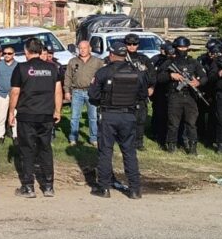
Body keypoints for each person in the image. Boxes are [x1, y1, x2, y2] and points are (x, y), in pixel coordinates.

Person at [87, 41, 149, 199]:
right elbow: (143, 95)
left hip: (109, 115)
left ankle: (104, 188)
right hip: (129, 115)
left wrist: (104, 99)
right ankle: (134, 190)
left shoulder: (103, 72)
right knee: (129, 152)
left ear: (111, 54)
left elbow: (93, 95)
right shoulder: (137, 72)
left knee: (105, 151)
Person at [8, 37, 63, 197]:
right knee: (45, 149)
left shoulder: (21, 68)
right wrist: (58, 110)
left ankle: (28, 187)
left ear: (26, 51)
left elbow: (15, 92)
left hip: (27, 115)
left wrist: (11, 112)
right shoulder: (52, 68)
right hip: (46, 114)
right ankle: (48, 186)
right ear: (40, 51)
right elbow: (58, 91)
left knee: (27, 150)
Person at [158, 37, 206, 154]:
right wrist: (171, 76)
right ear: (175, 48)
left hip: (190, 96)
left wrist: (198, 82)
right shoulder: (169, 62)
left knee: (191, 123)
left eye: (185, 47)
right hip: (175, 95)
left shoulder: (193, 62)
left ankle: (193, 147)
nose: (183, 50)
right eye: (180, 47)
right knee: (173, 123)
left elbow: (204, 76)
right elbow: (158, 77)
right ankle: (171, 145)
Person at [64, 39, 103, 146]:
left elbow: (103, 75)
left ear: (90, 49)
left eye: (85, 48)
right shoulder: (72, 61)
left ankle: (93, 138)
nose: (82, 50)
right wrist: (67, 91)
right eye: (80, 48)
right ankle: (73, 138)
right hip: (77, 91)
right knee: (74, 117)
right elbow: (68, 77)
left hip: (91, 92)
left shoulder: (97, 61)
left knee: (93, 117)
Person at [123, 33, 156, 150]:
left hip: (141, 94)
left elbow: (152, 75)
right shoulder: (121, 58)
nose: (132, 46)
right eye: (129, 44)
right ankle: (127, 142)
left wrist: (152, 87)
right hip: (126, 94)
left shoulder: (144, 59)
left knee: (141, 120)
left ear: (138, 45)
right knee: (126, 120)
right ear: (125, 44)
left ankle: (139, 142)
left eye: (134, 44)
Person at [0, 43, 17, 141]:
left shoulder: (18, 66)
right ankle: (0, 135)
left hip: (15, 95)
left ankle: (15, 135)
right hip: (1, 94)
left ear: (13, 54)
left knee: (15, 115)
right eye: (5, 53)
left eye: (9, 53)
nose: (7, 55)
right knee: (1, 116)